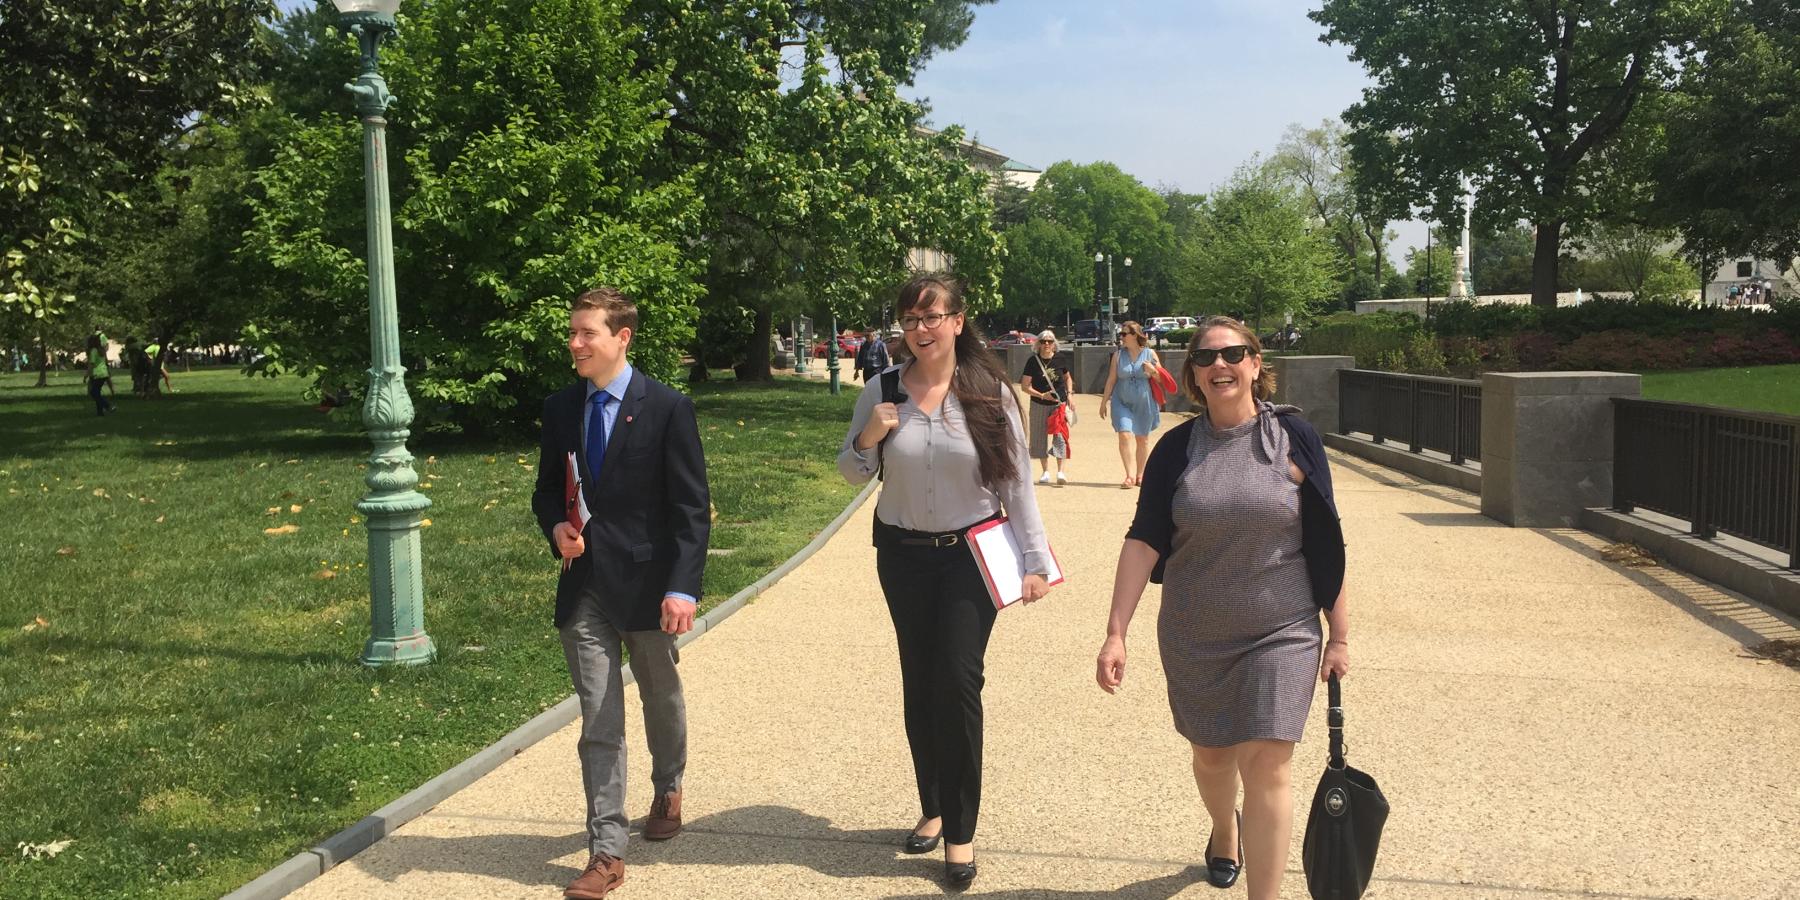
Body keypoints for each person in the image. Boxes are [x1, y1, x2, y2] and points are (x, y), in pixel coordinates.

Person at [1095, 316, 1350, 900]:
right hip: (1196, 631)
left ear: (1257, 365)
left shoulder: (1295, 440)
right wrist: (1116, 632)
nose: (1221, 365)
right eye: (1206, 358)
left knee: (1267, 761)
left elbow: (1326, 539)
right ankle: (1222, 828)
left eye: (1234, 354)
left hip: (1281, 628)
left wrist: (1338, 636)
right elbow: (1144, 539)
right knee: (1213, 758)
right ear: (1192, 376)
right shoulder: (1176, 450)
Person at [838, 274, 1055, 887]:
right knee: (920, 678)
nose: (920, 330)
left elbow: (1015, 482)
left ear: (959, 321)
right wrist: (869, 436)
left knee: (957, 683)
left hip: (970, 556)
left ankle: (959, 833)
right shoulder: (882, 390)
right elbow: (853, 473)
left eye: (932, 317)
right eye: (910, 319)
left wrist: (1035, 560)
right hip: (902, 554)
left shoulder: (990, 392)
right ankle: (931, 803)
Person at [531, 286, 711, 900]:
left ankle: (668, 784)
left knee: (660, 692)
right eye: (573, 333)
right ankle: (606, 851)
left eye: (587, 334)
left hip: (649, 586)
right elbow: (546, 491)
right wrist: (556, 526)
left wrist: (683, 587)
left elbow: (691, 508)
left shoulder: (666, 407)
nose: (575, 344)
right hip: (584, 590)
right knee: (599, 719)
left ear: (621, 337)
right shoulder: (561, 408)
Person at [1099, 321, 1165, 488]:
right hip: (1121, 401)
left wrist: (1153, 371)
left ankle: (1140, 474)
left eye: (1124, 334)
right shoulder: (1119, 356)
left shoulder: (1150, 354)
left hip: (1144, 402)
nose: (1121, 337)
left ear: (1135, 335)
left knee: (1142, 439)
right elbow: (1111, 379)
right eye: (1121, 334)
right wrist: (1104, 401)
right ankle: (1129, 475)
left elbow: (1162, 379)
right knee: (1124, 434)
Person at [1020, 329, 1073, 486]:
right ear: (1039, 344)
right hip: (1039, 403)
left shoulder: (1060, 359)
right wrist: (1042, 395)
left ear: (1054, 344)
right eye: (1043, 342)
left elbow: (1067, 377)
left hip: (1058, 404)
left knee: (1061, 436)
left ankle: (1061, 472)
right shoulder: (1032, 361)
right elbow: (1025, 386)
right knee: (1038, 437)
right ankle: (1045, 471)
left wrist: (1070, 394)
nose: (1047, 344)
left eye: (1050, 341)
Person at [83, 333, 115, 417]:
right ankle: (100, 413)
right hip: (104, 373)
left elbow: (91, 364)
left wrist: (86, 374)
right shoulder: (101, 350)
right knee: (97, 393)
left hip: (97, 374)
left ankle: (108, 406)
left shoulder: (93, 350)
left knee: (93, 393)